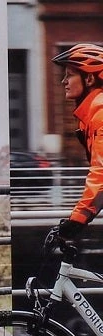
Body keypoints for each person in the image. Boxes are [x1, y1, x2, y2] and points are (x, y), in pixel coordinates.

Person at [52, 43, 103, 239]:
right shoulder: (89, 116)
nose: (64, 81)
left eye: (70, 75)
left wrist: (78, 220)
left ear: (89, 78)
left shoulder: (99, 114)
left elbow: (101, 175)